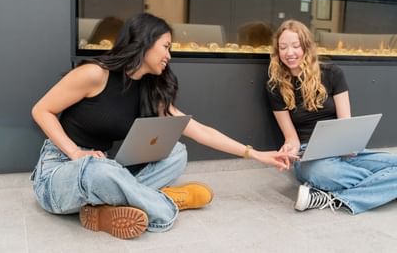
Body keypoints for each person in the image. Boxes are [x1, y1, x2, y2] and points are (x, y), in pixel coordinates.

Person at [31, 13, 298, 240]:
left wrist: (256, 154)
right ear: (145, 43)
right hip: (61, 170)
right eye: (166, 46)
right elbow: (41, 110)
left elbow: (200, 131)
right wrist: (77, 154)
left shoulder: (151, 90)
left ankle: (105, 209)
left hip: (106, 166)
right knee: (97, 171)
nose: (169, 55)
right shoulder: (94, 74)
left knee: (176, 152)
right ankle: (167, 204)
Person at [266, 19, 397, 215]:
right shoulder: (275, 86)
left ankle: (331, 198)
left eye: (295, 46)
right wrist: (289, 148)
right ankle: (382, 186)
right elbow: (291, 137)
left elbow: (346, 122)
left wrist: (349, 145)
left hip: (342, 150)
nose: (289, 53)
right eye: (283, 47)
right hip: (308, 155)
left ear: (306, 46)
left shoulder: (332, 73)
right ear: (277, 51)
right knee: (322, 173)